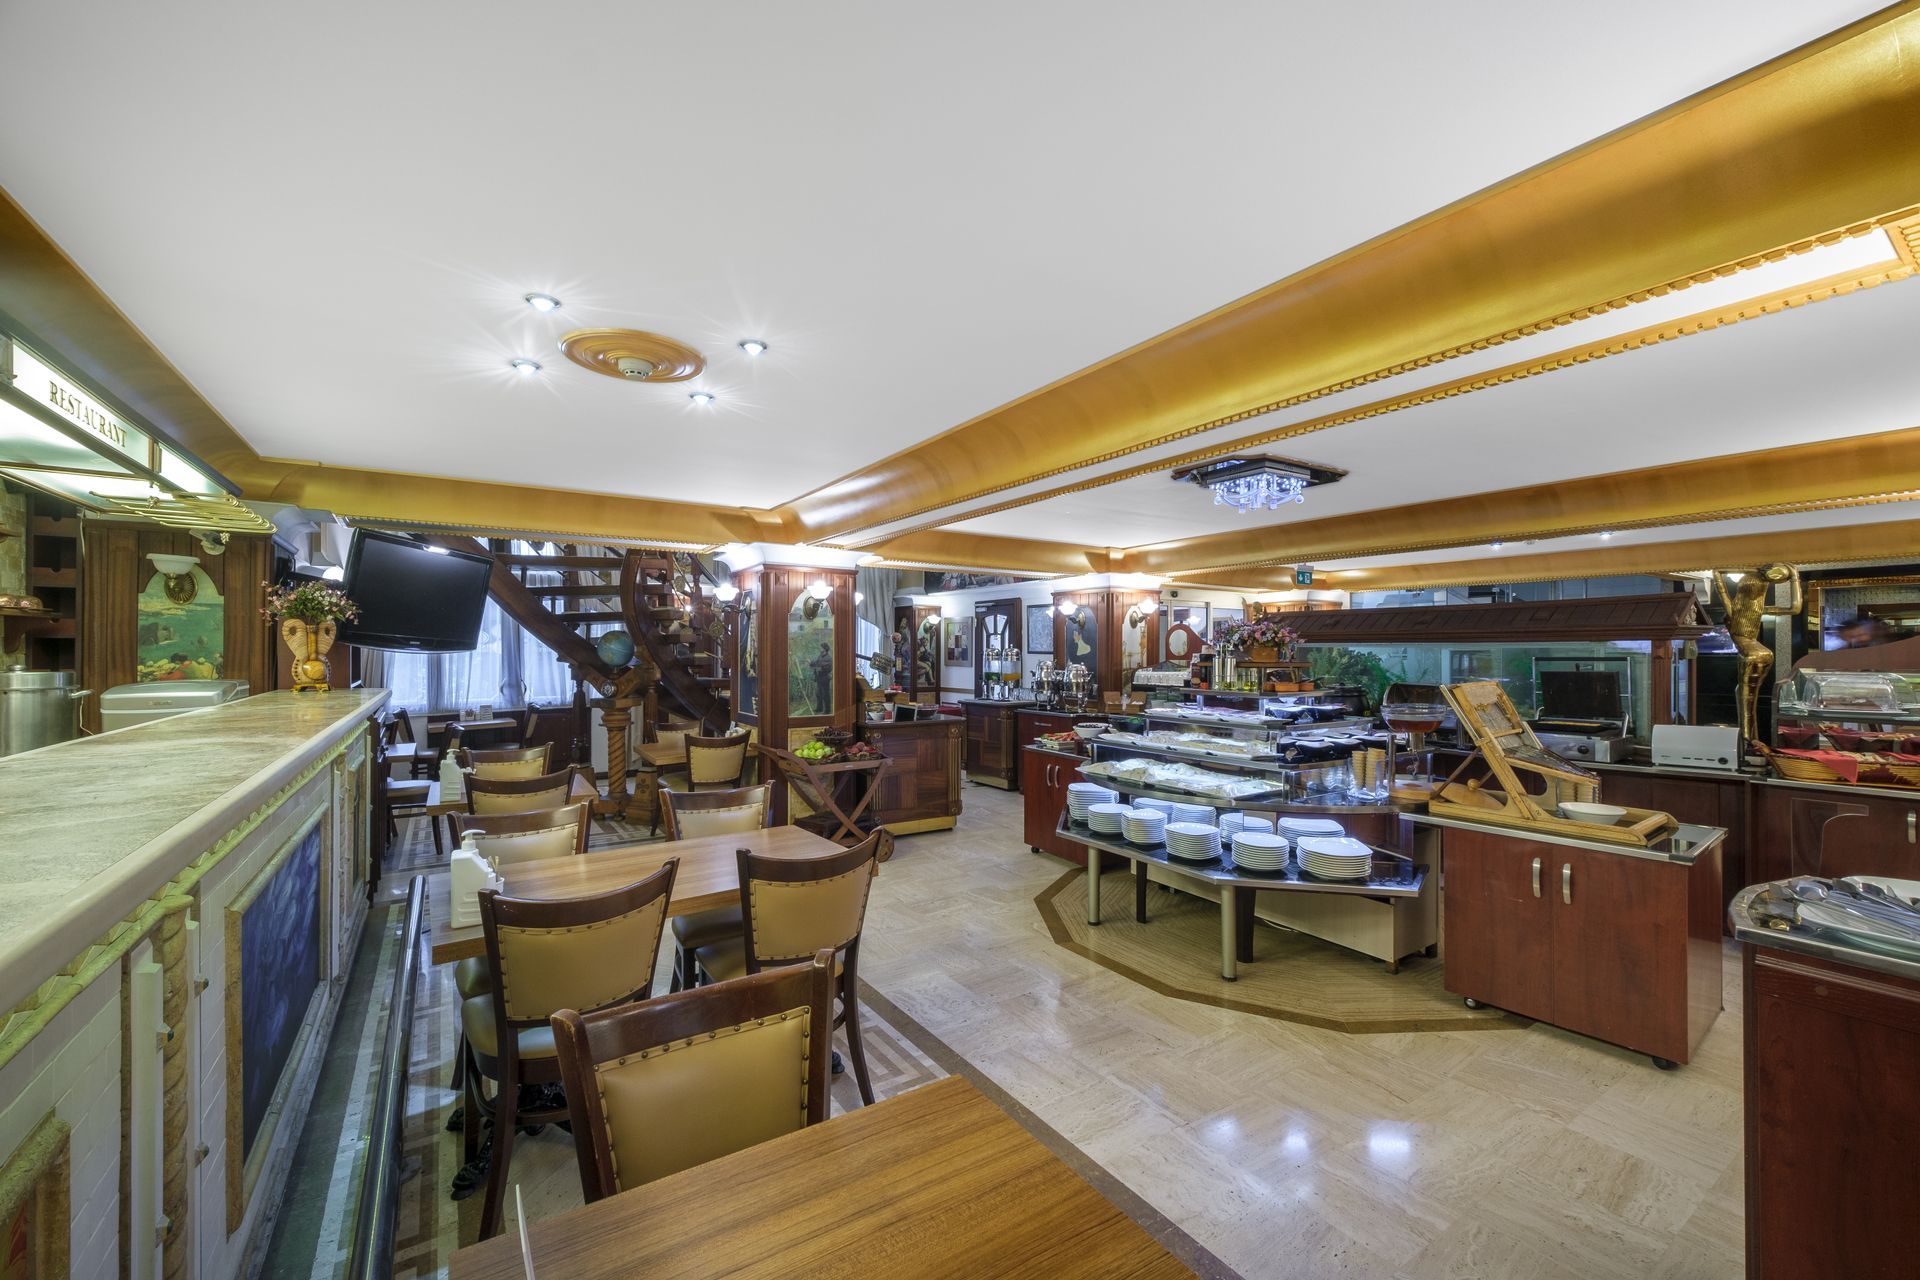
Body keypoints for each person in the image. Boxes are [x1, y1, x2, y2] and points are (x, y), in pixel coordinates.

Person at [1713, 563, 1800, 745]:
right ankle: (1749, 742)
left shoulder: (1745, 609)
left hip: (1755, 653)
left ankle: (1749, 741)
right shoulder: (1749, 610)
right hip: (1757, 653)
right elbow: (1795, 608)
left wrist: (1749, 570)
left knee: (1747, 701)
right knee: (1746, 700)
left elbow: (1717, 574)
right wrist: (1794, 576)